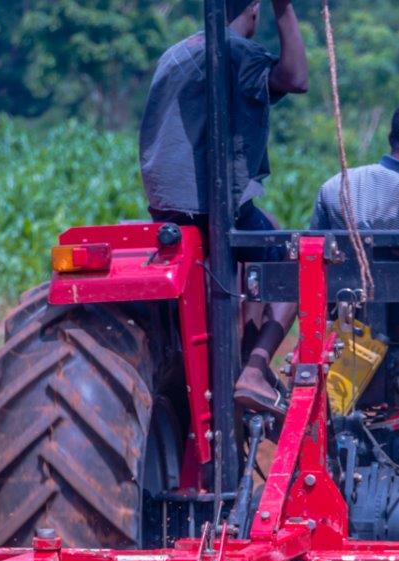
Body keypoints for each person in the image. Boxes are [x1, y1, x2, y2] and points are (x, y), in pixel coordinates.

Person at [139, 0, 307, 414]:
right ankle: (253, 367)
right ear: (254, 9)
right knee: (295, 259)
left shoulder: (177, 52)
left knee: (264, 232)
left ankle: (244, 363)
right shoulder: (235, 51)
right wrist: (284, 9)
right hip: (209, 206)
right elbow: (296, 78)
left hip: (167, 206)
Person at [305, 99, 399, 411]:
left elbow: (315, 267)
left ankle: (337, 409)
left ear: (391, 139)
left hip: (350, 338)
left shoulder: (336, 187)